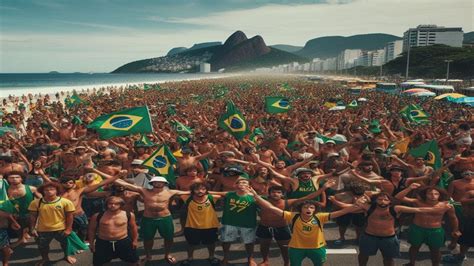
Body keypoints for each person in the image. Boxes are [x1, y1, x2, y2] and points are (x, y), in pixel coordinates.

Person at [249, 186, 362, 266]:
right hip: (297, 249)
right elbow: (270, 207)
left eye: (311, 207)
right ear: (300, 209)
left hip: (317, 248)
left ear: (315, 210)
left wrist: (355, 206)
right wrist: (255, 195)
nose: (308, 209)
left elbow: (342, 212)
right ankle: (267, 260)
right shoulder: (293, 216)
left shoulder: (321, 217)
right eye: (305, 207)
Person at [357, 192, 451, 266]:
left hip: (389, 238)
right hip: (369, 236)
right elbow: (357, 203)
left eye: (385, 199)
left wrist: (440, 209)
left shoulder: (396, 208)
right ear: (375, 200)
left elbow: (419, 210)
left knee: (388, 259)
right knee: (363, 255)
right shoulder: (369, 207)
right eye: (380, 199)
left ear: (390, 201)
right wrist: (366, 195)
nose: (382, 201)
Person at [257, 181, 336, 266]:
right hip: (264, 226)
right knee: (264, 246)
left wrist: (323, 188)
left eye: (278, 192)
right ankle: (265, 261)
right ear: (269, 194)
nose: (275, 194)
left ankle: (286, 263)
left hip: (281, 227)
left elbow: (308, 197)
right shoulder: (262, 201)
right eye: (273, 192)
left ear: (282, 195)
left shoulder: (288, 202)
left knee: (284, 248)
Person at [114, 176, 189, 264]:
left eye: (160, 182)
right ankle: (148, 256)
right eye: (155, 182)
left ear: (165, 184)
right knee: (148, 239)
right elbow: (123, 183)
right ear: (152, 183)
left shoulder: (170, 192)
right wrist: (96, 171)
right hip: (148, 218)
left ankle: (167, 254)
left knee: (168, 238)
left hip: (165, 218)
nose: (157, 183)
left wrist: (207, 191)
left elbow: (192, 191)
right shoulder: (144, 191)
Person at [395, 183, 460, 266]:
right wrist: (409, 188)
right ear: (425, 194)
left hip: (436, 231)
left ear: (440, 195)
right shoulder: (417, 202)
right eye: (430, 193)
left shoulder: (446, 205)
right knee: (414, 247)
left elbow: (453, 218)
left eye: (436, 194)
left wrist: (455, 230)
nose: (433, 195)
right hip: (417, 228)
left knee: (435, 250)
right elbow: (398, 197)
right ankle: (411, 263)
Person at [28, 182, 77, 265]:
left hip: (61, 229)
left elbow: (70, 217)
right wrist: (32, 228)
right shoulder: (36, 202)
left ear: (57, 190)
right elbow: (32, 216)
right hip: (43, 230)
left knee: (65, 244)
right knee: (42, 246)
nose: (49, 191)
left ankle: (67, 256)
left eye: (52, 189)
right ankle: (45, 259)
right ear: (42, 191)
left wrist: (68, 229)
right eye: (46, 190)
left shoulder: (65, 202)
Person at [88, 196, 139, 266]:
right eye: (110, 203)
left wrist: (135, 240)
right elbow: (91, 230)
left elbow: (133, 228)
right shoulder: (97, 216)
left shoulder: (129, 215)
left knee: (134, 261)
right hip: (103, 242)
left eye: (116, 204)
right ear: (106, 204)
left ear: (121, 204)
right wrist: (91, 243)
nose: (113, 205)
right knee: (98, 263)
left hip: (123, 241)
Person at [181, 182, 221, 266]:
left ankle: (211, 257)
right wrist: (190, 192)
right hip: (192, 226)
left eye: (203, 189)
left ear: (206, 190)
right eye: (197, 189)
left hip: (210, 226)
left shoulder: (212, 198)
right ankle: (190, 258)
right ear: (192, 190)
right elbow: (177, 193)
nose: (200, 191)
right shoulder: (187, 198)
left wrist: (209, 192)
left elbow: (226, 194)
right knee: (191, 244)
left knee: (211, 243)